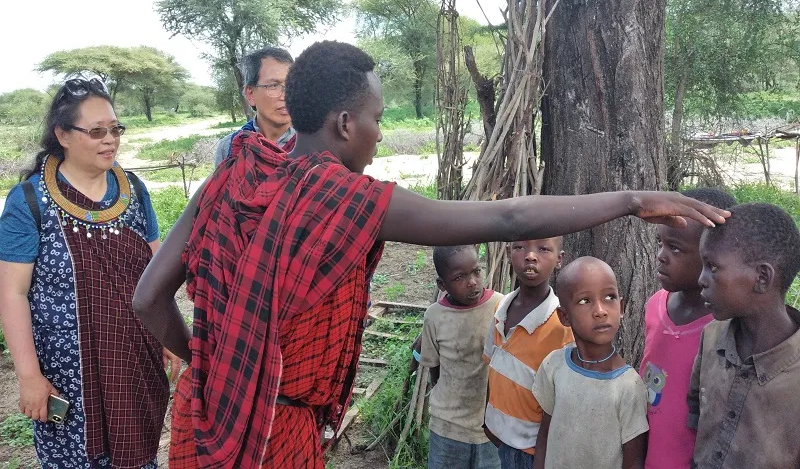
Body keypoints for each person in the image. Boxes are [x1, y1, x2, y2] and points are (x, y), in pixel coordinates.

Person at [131, 40, 728, 469]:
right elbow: (508, 217)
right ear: (344, 123)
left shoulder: (231, 176)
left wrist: (222, 365)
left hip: (204, 415)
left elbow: (148, 298)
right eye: (376, 119)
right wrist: (629, 199)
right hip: (276, 435)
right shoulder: (347, 200)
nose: (380, 133)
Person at [0, 78, 181, 468]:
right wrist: (29, 377)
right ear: (62, 134)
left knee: (138, 457)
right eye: (96, 131)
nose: (110, 140)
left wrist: (169, 333)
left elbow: (157, 271)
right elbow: (12, 293)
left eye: (115, 129)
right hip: (66, 373)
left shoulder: (133, 190)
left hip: (133, 362)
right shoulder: (29, 201)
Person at [688, 203, 800, 469]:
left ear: (762, 278)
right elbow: (696, 409)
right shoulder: (712, 337)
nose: (701, 280)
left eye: (712, 267)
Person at [640, 188, 737, 469]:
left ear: (711, 255)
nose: (661, 256)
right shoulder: (656, 305)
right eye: (660, 244)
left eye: (675, 248)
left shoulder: (723, 328)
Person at [532, 257, 649, 469]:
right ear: (564, 317)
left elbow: (634, 462)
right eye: (585, 301)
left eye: (610, 297)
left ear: (621, 307)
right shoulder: (555, 366)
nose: (601, 311)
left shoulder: (629, 387)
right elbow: (545, 437)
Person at [482, 238, 571, 468]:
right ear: (510, 253)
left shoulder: (562, 325)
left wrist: (540, 456)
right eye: (520, 247)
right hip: (500, 438)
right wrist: (487, 419)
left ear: (559, 259)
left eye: (543, 249)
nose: (530, 256)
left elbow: (562, 402)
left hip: (532, 451)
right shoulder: (500, 309)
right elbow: (492, 367)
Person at [420, 245, 504, 469]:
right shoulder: (435, 316)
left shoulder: (501, 307)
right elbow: (434, 369)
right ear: (442, 285)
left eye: (476, 271)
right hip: (447, 428)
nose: (473, 282)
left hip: (492, 429)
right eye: (459, 277)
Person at [213, 46, 296, 166]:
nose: (286, 95)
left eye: (291, 85)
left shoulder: (313, 144)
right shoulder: (230, 148)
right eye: (273, 85)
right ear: (251, 94)